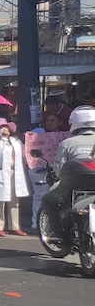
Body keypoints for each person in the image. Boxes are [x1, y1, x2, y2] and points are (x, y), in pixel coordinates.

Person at [40, 105, 95, 247]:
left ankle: (57, 233)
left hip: (73, 184)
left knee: (47, 200)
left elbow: (58, 169)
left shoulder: (68, 143)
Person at [0, 118, 30, 236]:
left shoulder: (14, 140)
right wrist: (3, 139)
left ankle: (14, 226)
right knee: (0, 200)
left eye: (5, 127)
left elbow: (24, 152)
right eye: (1, 128)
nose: (5, 130)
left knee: (15, 200)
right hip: (1, 173)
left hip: (15, 172)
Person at [29, 111, 64, 229]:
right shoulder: (38, 133)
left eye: (53, 120)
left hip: (58, 170)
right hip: (39, 169)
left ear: (60, 123)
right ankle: (37, 222)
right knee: (39, 195)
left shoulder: (64, 136)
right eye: (48, 120)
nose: (50, 123)